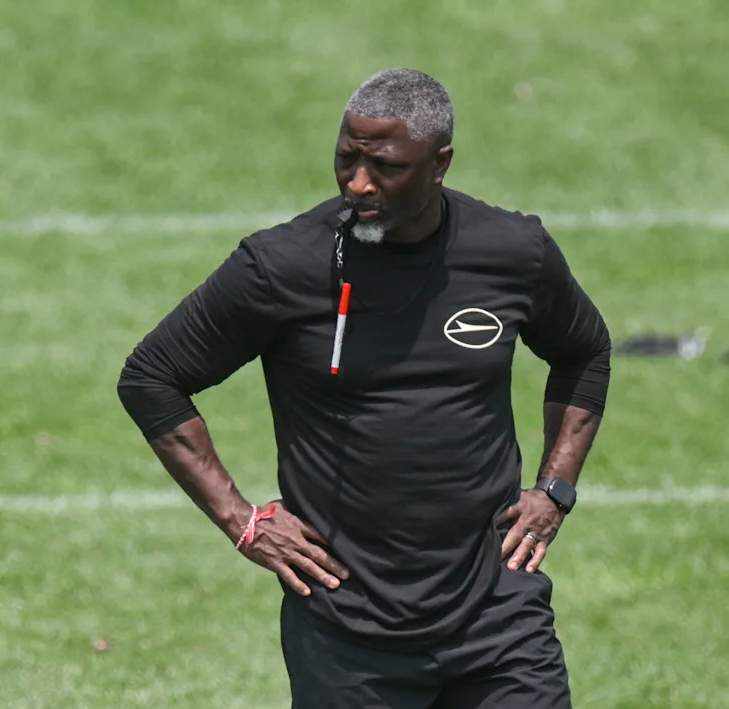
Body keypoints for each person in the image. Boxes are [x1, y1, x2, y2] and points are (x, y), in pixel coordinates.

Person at [118, 68, 610, 708]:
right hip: (347, 630)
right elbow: (152, 377)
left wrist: (554, 489)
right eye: (345, 159)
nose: (357, 184)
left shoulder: (513, 252)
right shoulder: (283, 266)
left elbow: (584, 351)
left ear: (440, 165)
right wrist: (242, 520)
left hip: (497, 613)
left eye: (385, 166)